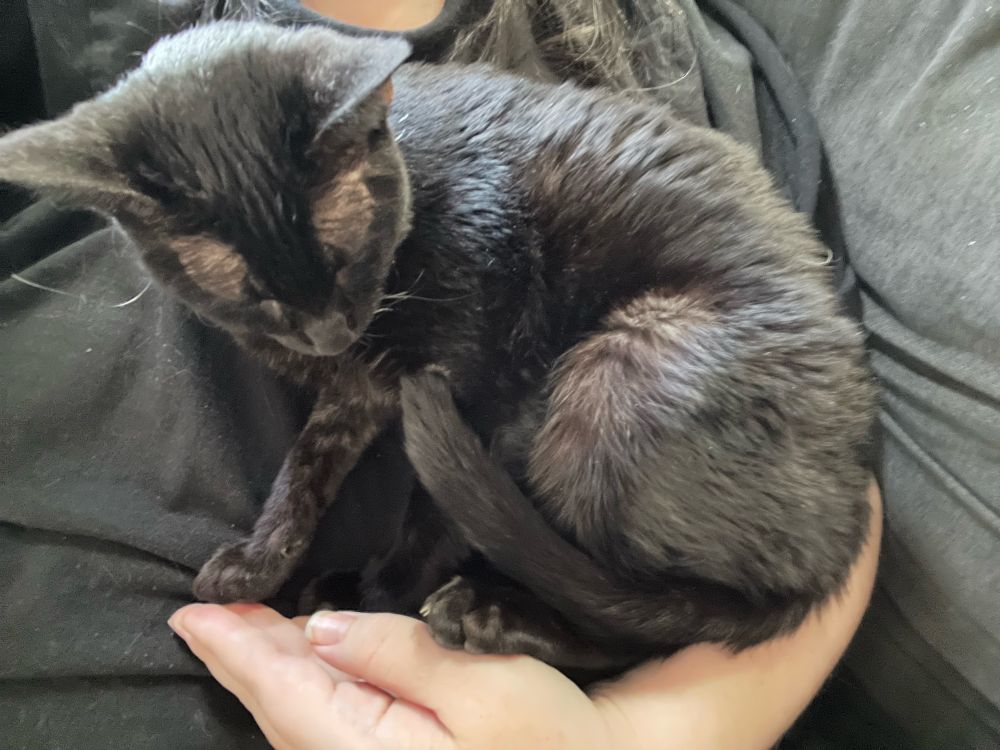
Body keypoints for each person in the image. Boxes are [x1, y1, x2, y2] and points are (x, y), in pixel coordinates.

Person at [0, 1, 993, 748]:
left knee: (585, 428)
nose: (319, 330)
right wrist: (279, 542)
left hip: (704, 411)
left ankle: (577, 613)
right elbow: (368, 377)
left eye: (344, 276)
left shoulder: (678, 59)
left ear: (376, 123)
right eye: (265, 302)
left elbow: (480, 401)